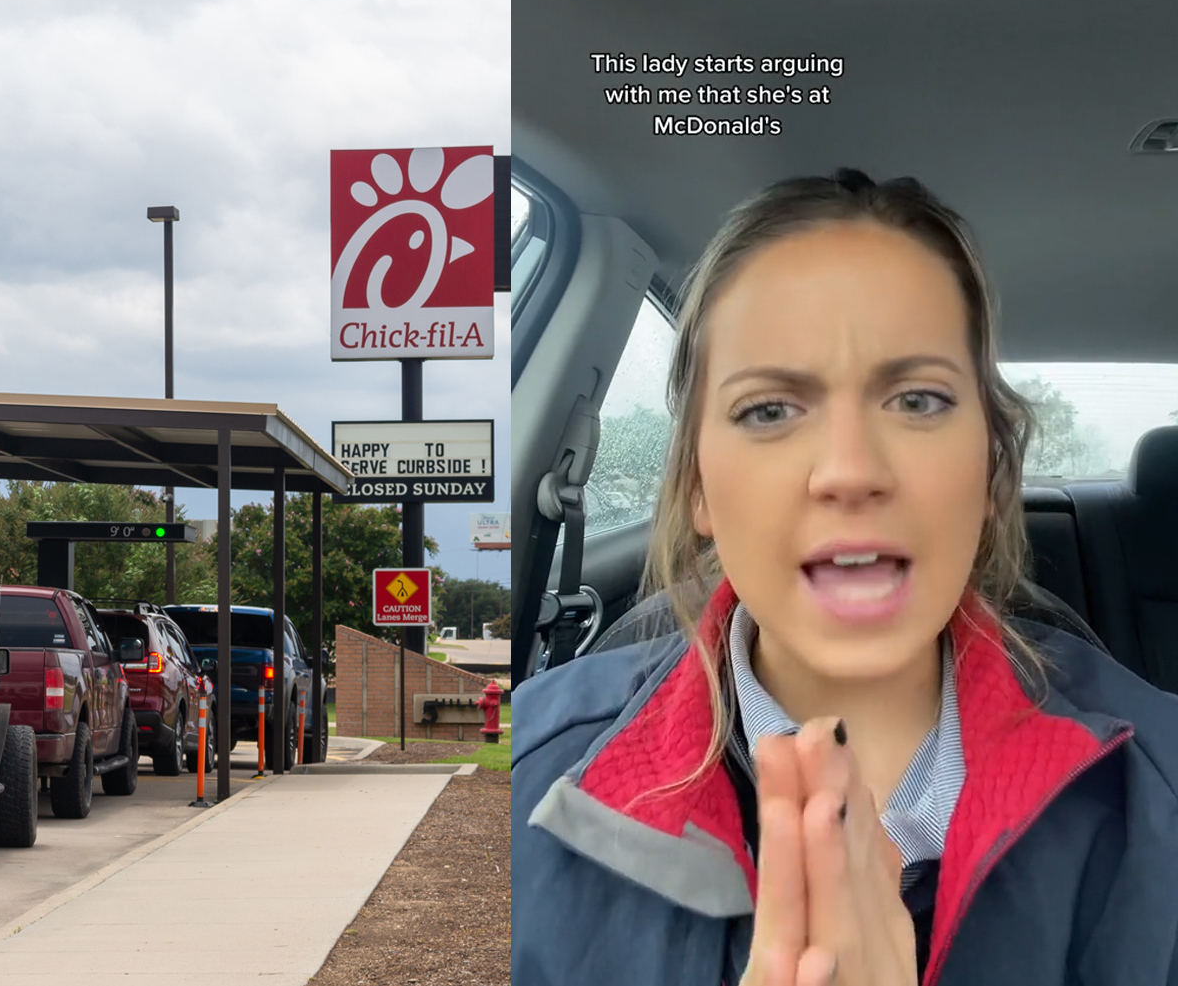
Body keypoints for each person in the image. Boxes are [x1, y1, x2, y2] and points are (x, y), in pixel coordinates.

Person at [505, 169, 1178, 985]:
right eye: (769, 410)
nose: (850, 470)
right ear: (696, 486)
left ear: (990, 468)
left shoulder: (1161, 789)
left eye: (919, 400)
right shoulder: (519, 777)